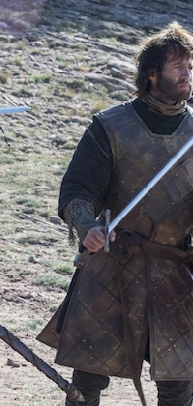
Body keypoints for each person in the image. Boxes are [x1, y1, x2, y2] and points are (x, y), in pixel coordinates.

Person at [37, 21, 193, 406]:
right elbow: (77, 190)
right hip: (112, 263)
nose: (187, 74)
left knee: (179, 384)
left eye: (190, 66)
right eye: (178, 66)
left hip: (173, 271)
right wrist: (87, 225)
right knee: (88, 380)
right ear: (152, 73)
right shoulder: (111, 126)